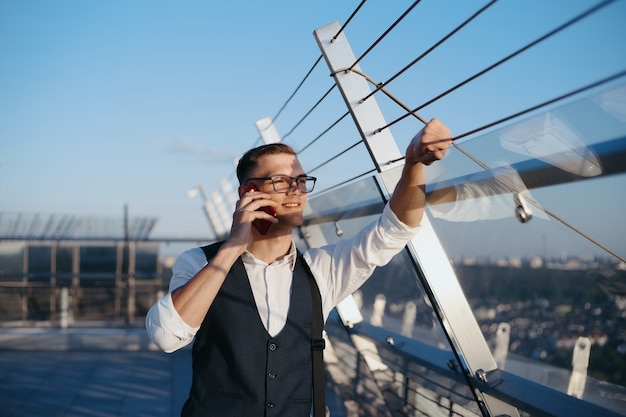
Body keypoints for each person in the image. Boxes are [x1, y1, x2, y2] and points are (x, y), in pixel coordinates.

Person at [145, 118, 452, 417]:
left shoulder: (321, 269)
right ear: (247, 193)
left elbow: (395, 229)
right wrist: (232, 249)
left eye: (302, 181)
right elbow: (166, 336)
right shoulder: (200, 262)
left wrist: (413, 164)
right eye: (280, 181)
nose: (296, 190)